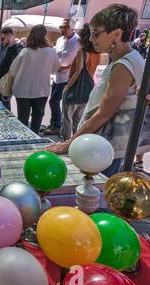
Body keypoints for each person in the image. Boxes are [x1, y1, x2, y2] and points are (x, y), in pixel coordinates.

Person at [47, 4, 149, 178]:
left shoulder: (122, 66)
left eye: (96, 33)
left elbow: (104, 113)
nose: (92, 38)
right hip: (107, 146)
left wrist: (70, 143)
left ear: (117, 33)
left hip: (103, 147)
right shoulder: (132, 59)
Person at [9, 25, 60, 134]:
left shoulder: (25, 52)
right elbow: (55, 70)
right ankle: (34, 140)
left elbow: (13, 70)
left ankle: (23, 140)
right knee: (37, 118)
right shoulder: (51, 52)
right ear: (45, 35)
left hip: (22, 90)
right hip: (41, 90)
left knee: (22, 118)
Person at [61, 23, 101, 140]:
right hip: (87, 89)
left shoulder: (81, 53)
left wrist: (67, 87)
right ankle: (76, 141)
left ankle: (66, 142)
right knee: (78, 119)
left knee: (67, 118)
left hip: (75, 89)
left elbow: (78, 72)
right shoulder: (97, 54)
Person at [43, 18, 80, 135]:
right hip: (56, 76)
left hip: (67, 77)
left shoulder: (78, 41)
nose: (63, 29)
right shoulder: (59, 40)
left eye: (66, 27)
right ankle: (53, 123)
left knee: (54, 101)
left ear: (73, 27)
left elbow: (79, 61)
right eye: (61, 27)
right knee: (52, 100)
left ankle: (57, 126)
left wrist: (65, 68)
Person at [0, 27, 24, 109]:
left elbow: (17, 66)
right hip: (0, 79)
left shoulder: (18, 48)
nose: (1, 41)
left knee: (5, 104)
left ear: (9, 36)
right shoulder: (4, 47)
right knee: (0, 103)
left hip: (7, 81)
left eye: (2, 39)